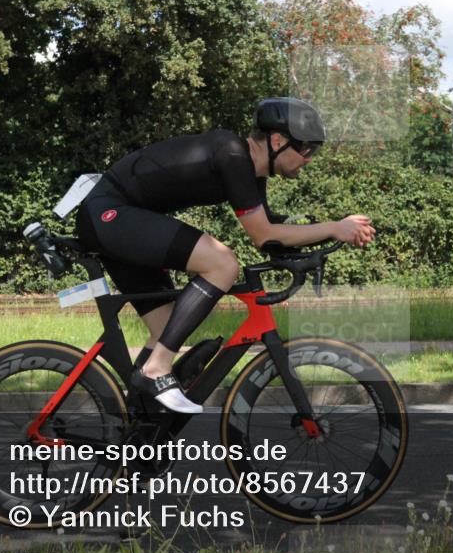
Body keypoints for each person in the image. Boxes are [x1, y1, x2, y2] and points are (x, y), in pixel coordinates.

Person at [75, 97, 376, 414]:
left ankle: (138, 426)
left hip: (122, 219)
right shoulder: (232, 153)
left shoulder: (250, 173)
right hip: (110, 213)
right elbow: (265, 234)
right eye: (306, 150)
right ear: (277, 141)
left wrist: (318, 245)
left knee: (166, 326)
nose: (309, 159)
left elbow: (270, 237)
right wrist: (334, 228)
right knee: (222, 263)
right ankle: (156, 371)